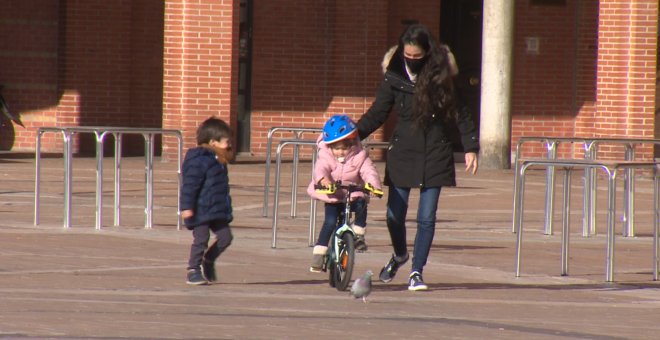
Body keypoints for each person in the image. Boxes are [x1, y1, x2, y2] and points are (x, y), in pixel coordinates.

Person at [356, 24, 479, 291]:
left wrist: (470, 146)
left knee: (426, 218)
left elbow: (461, 112)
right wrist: (351, 135)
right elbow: (378, 112)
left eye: (417, 57)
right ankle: (400, 254)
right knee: (393, 216)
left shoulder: (441, 76)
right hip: (403, 151)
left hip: (436, 149)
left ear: (427, 53)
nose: (411, 61)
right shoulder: (394, 75)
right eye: (407, 56)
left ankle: (416, 272)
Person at [306, 114, 383, 272]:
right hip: (333, 193)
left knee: (362, 203)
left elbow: (369, 171)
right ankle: (319, 254)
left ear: (352, 144)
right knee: (330, 222)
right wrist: (324, 181)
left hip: (353, 192)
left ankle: (358, 233)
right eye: (336, 148)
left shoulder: (359, 156)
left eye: (344, 148)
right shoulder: (326, 156)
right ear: (329, 147)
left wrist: (373, 185)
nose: (340, 152)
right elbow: (320, 169)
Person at [180, 117, 235, 285]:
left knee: (226, 237)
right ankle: (193, 269)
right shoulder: (199, 160)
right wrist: (186, 207)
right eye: (226, 142)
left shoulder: (219, 161)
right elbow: (189, 186)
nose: (229, 145)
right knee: (201, 239)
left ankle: (208, 260)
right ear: (213, 142)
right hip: (200, 210)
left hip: (216, 210)